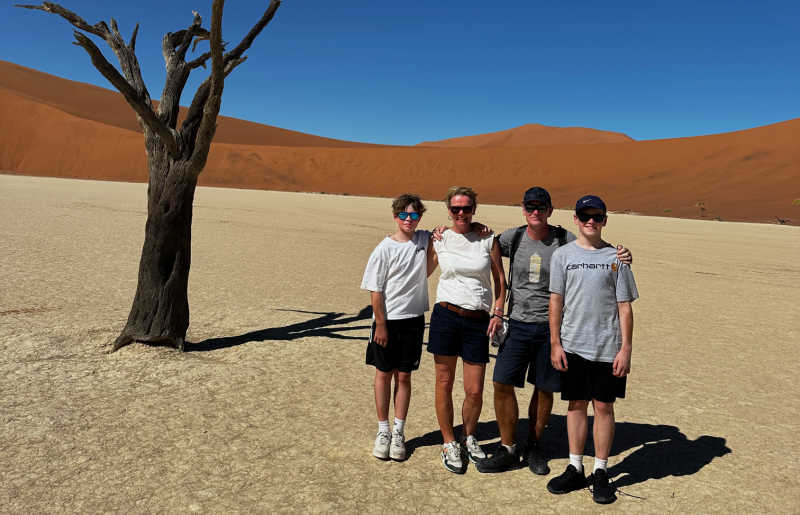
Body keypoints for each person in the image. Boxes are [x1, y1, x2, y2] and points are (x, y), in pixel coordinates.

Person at [476, 187, 632, 475]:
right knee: (501, 382)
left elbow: (593, 246)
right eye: (530, 206)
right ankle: (508, 448)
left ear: (550, 210)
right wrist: (473, 226)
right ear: (523, 210)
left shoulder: (563, 239)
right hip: (517, 323)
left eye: (541, 207)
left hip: (552, 328)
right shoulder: (514, 237)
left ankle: (535, 445)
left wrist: (620, 253)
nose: (535, 211)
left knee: (545, 387)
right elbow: (486, 245)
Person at [546, 195, 638, 505]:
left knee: (603, 408)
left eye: (597, 216)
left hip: (607, 348)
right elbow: (556, 301)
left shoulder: (617, 258)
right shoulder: (562, 255)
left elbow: (624, 307)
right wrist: (556, 343)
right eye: (585, 215)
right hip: (573, 345)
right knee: (575, 405)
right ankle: (575, 466)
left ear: (604, 220)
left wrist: (625, 348)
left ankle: (600, 471)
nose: (591, 220)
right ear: (575, 218)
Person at [427, 186, 506, 474]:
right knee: (444, 382)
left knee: (474, 389)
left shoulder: (487, 239)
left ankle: (469, 436)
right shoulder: (439, 239)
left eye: (467, 208)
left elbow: (500, 281)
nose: (461, 213)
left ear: (474, 209)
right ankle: (449, 441)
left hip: (477, 321)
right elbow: (423, 270)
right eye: (456, 209)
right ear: (448, 210)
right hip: (445, 316)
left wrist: (498, 312)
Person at [360, 194, 436, 461]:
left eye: (414, 215)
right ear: (395, 216)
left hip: (413, 321)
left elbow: (443, 240)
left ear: (420, 218)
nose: (408, 220)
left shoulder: (424, 239)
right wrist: (380, 324)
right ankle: (383, 431)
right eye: (403, 215)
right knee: (383, 374)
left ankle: (398, 431)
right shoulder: (384, 248)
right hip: (387, 321)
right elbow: (375, 290)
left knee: (404, 376)